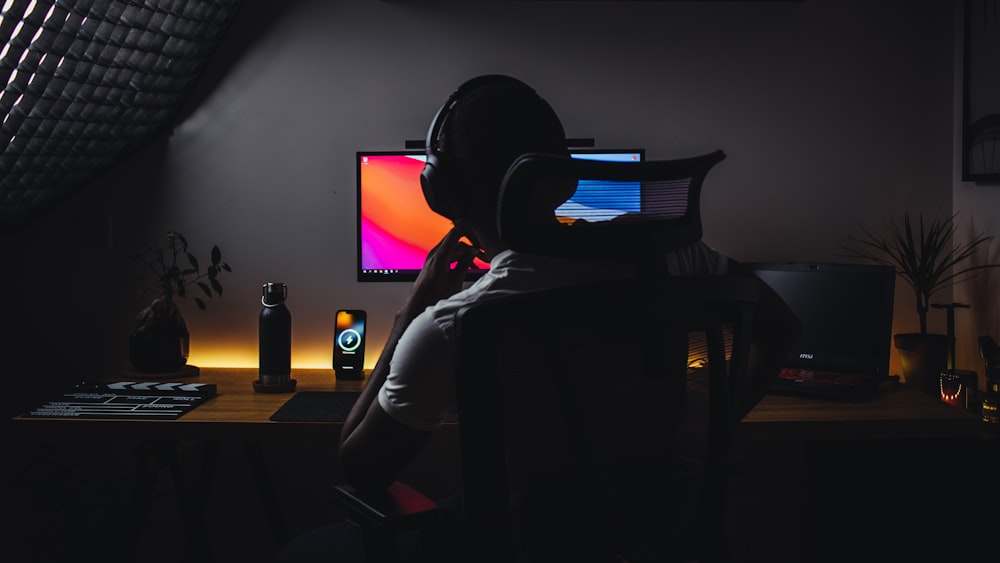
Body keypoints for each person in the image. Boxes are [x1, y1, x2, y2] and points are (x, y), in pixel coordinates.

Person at [274, 74, 800, 562]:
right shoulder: (680, 257)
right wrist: (705, 433)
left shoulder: (453, 324)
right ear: (563, 174)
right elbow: (783, 329)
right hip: (661, 528)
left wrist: (414, 308)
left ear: (440, 189)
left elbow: (361, 467)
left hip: (523, 541)